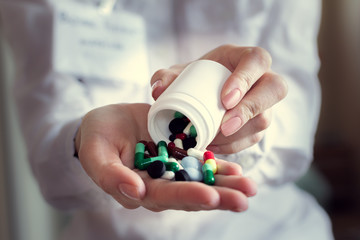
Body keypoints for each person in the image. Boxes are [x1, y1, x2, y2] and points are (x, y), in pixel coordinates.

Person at [0, 0, 334, 239]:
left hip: (272, 228)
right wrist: (82, 140)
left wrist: (245, 125)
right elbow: (48, 153)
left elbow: (295, 121)